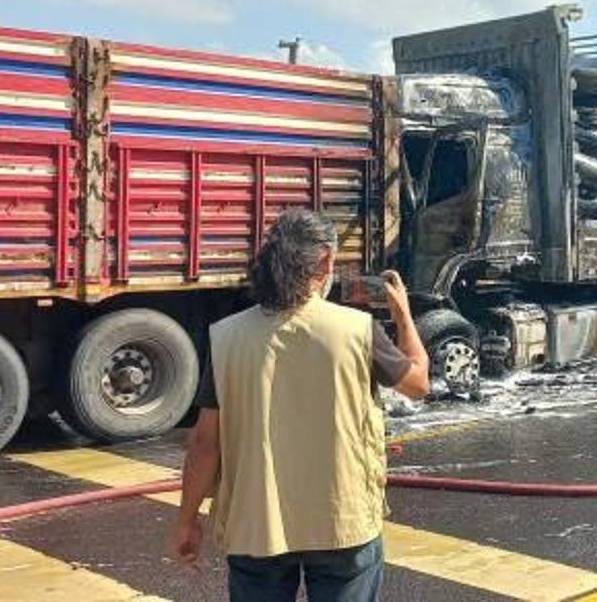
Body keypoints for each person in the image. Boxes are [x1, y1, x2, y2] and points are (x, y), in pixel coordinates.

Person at [169, 208, 430, 601]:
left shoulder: (227, 338)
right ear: (324, 260)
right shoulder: (358, 330)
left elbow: (206, 443)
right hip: (341, 520)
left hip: (256, 525)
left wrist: (187, 520)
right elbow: (418, 383)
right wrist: (404, 317)